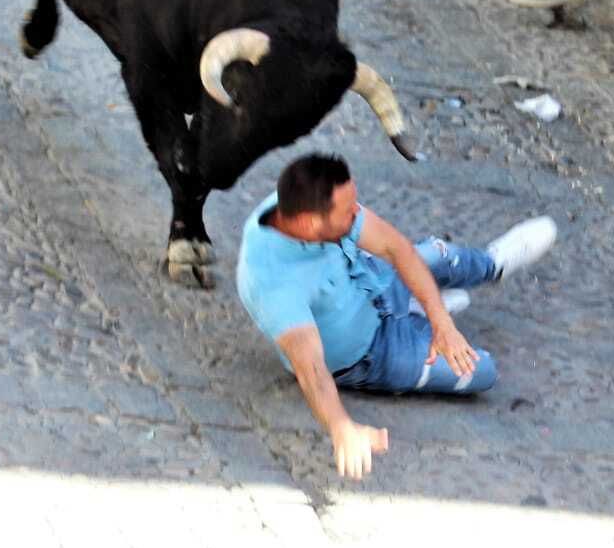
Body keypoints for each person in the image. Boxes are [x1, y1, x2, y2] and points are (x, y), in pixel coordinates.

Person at [234, 154, 557, 479]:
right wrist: (341, 428)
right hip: (368, 353)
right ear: (309, 225)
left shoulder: (303, 202)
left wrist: (442, 324)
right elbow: (312, 371)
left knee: (436, 254)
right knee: (481, 372)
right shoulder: (271, 283)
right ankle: (420, 312)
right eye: (348, 212)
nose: (358, 213)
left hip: (371, 281)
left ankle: (490, 265)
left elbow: (395, 248)